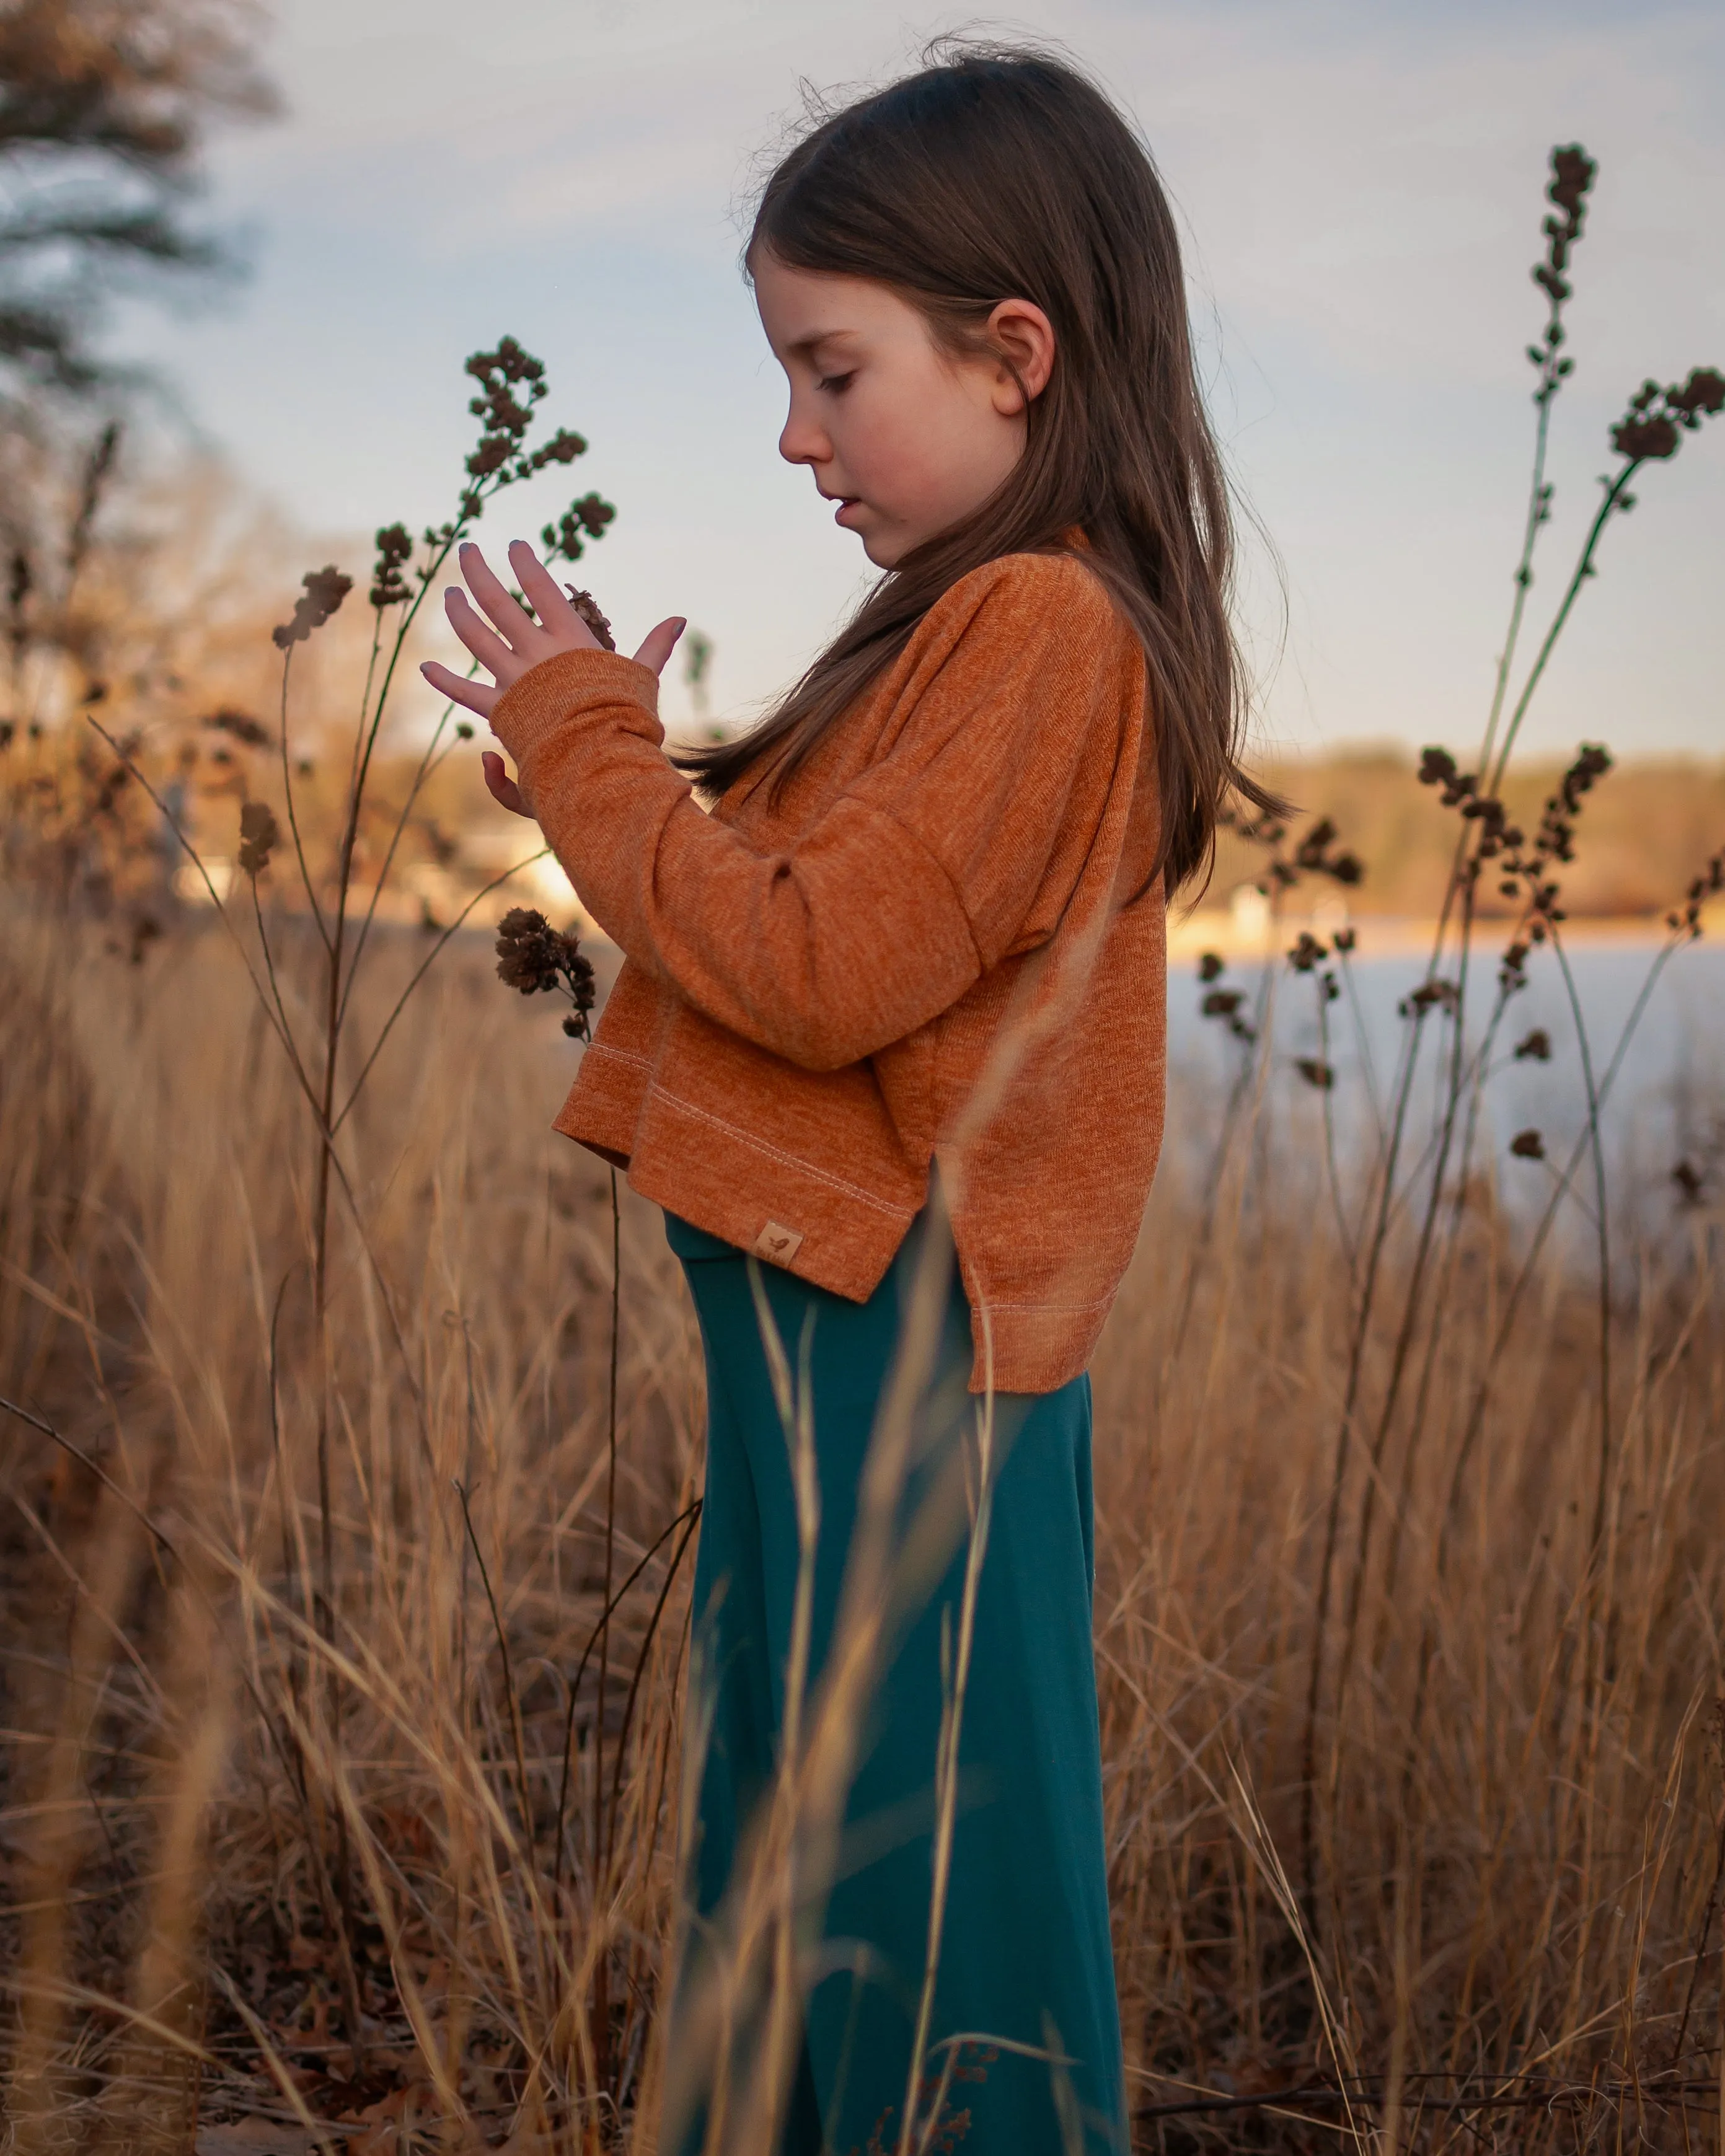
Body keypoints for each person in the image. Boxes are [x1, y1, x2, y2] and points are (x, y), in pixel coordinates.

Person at [423, 41, 1273, 2155]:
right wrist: (599, 773)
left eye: (828, 370)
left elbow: (814, 971)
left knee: (936, 1882)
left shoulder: (1047, 627)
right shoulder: (973, 628)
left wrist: (608, 772)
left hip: (914, 1358)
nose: (791, 435)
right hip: (836, 1339)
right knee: (798, 1840)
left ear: (1013, 352)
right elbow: (797, 917)